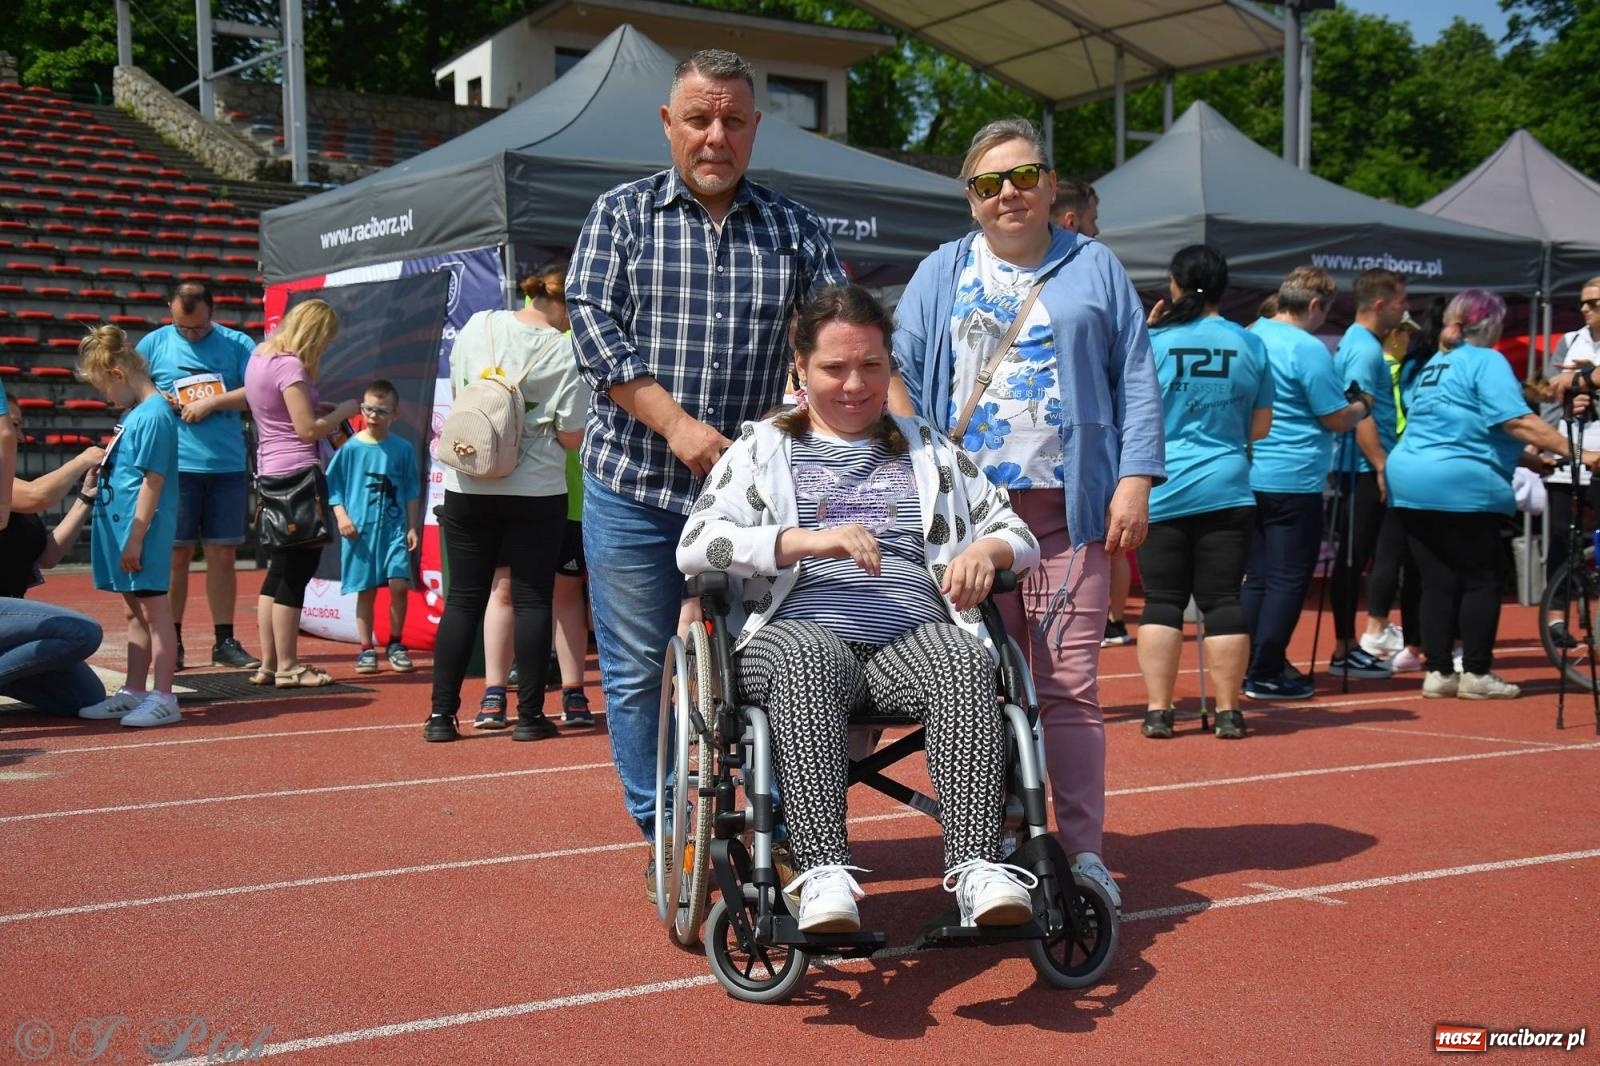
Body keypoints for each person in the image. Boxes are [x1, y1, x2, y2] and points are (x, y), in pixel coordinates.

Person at [678, 285, 1043, 932]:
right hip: (790, 638)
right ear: (801, 368)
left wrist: (988, 550)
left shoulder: (927, 449)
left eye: (871, 367)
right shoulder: (762, 449)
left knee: (963, 659)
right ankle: (821, 877)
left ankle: (979, 868)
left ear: (889, 367)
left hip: (908, 642)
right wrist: (803, 542)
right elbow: (698, 546)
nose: (854, 384)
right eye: (834, 368)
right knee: (810, 657)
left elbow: (1017, 531)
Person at [567, 48, 848, 873]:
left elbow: (831, 339)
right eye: (699, 118)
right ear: (669, 124)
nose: (715, 135)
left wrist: (810, 418)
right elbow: (594, 331)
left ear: (755, 128)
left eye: (732, 120)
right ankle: (669, 837)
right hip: (635, 490)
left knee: (778, 660)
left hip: (757, 504)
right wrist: (680, 427)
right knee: (635, 674)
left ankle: (784, 832)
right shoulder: (619, 216)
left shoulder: (795, 227)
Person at [890, 117, 1166, 909]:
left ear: (1051, 186)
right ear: (970, 199)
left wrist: (1136, 478)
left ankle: (1080, 854)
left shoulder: (1096, 266)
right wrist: (921, 466)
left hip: (1068, 512)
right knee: (978, 686)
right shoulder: (941, 272)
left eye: (1024, 176)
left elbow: (1136, 377)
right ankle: (999, 839)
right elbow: (899, 373)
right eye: (988, 182)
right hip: (966, 522)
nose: (1007, 193)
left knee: (1069, 686)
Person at [1388, 289, 1596, 699]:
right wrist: (1581, 453)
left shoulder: (1437, 363)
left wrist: (1528, 460)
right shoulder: (1487, 360)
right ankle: (1477, 673)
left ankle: (1439, 672)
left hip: (1410, 476)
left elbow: (1460, 426)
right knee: (1483, 577)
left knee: (1437, 581)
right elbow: (1517, 421)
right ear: (1493, 324)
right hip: (1460, 484)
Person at [424, 288, 591, 742]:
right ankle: (531, 717)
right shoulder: (565, 349)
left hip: (468, 481)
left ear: (530, 291)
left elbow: (462, 395)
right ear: (567, 303)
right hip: (535, 489)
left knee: (464, 600)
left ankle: (441, 716)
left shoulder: (479, 325)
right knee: (534, 598)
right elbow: (572, 435)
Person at [1135, 246, 1273, 740]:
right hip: (1227, 483)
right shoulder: (1249, 342)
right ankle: (1230, 710)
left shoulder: (1153, 342)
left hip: (1162, 484)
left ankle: (1158, 709)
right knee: (1222, 599)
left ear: (1174, 284)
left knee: (1162, 599)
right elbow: (1260, 426)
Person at [1242, 267, 1373, 701]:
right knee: (1287, 578)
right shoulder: (1307, 347)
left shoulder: (1249, 332)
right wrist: (1361, 405)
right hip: (1294, 474)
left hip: (1249, 468)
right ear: (1315, 306)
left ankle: (1249, 662)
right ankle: (1265, 667)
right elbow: (1333, 417)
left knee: (1257, 576)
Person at [477, 266, 594, 730]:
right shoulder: (496, 333)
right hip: (520, 487)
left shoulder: (570, 344)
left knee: (560, 591)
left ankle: (572, 691)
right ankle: (493, 691)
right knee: (507, 590)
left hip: (563, 489)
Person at [138, 281, 260, 671]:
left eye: (199, 328)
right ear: (170, 311)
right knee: (175, 555)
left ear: (212, 311)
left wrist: (213, 402)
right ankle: (172, 640)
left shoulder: (237, 344)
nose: (191, 334)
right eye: (183, 328)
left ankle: (224, 640)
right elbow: (130, 392)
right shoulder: (154, 344)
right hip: (176, 467)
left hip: (225, 465)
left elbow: (259, 393)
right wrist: (160, 399)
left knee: (223, 555)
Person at [245, 299, 359, 689]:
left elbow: (278, 410)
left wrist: (314, 404)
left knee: (277, 571)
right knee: (296, 573)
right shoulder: (290, 365)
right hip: (297, 475)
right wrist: (342, 411)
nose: (325, 349)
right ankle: (289, 665)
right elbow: (308, 430)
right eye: (325, 341)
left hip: (269, 472)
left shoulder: (261, 355)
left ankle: (270, 664)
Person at [74, 326, 183, 727]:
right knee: (133, 613)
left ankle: (165, 696)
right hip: (123, 528)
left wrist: (136, 537)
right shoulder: (136, 413)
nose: (105, 397)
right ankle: (135, 690)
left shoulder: (153, 415)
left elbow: (153, 481)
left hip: (141, 531)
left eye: (104, 387)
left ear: (118, 375)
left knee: (155, 612)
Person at [1326, 268, 1409, 681]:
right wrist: (1379, 464)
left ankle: (1352, 645)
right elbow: (1360, 412)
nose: (1404, 310)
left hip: (1360, 465)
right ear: (1380, 305)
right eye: (1399, 302)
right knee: (1353, 559)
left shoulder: (1363, 344)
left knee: (1359, 558)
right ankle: (1345, 649)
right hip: (1360, 468)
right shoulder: (1364, 349)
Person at [0, 396, 106, 717]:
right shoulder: (16, 489)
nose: (18, 436)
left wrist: (86, 497)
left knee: (85, 697)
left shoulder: (12, 485)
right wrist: (82, 460)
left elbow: (47, 555)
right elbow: (38, 495)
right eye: (13, 425)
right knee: (82, 632)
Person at [326, 379, 421, 675]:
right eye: (369, 409)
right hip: (360, 533)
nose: (373, 415)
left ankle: (395, 642)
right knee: (365, 590)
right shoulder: (350, 448)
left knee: (399, 585)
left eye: (381, 410)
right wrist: (342, 517)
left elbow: (410, 490)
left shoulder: (402, 449)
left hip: (394, 530)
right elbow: (334, 487)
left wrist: (412, 526)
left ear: (395, 414)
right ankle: (366, 648)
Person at [1541, 276, 1600, 649]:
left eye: (1593, 303)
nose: (1584, 308)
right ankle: (1556, 617)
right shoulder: (1569, 340)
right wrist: (1551, 442)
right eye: (1582, 302)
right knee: (1563, 539)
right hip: (1572, 454)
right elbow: (1549, 394)